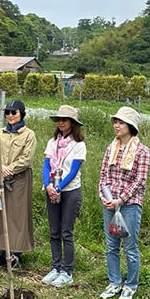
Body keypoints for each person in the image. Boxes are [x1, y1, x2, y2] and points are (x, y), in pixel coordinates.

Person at [98, 106, 150, 299]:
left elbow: (140, 181)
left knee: (129, 246)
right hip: (110, 202)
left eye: (120, 122)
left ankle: (131, 284)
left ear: (131, 126)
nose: (116, 126)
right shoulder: (111, 148)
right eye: (115, 122)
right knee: (111, 245)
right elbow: (103, 175)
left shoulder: (142, 151)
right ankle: (114, 281)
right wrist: (104, 196)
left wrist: (121, 199)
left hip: (129, 204)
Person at [0, 99, 37, 270]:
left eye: (14, 112)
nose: (10, 115)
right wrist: (0, 167)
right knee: (0, 215)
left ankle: (16, 255)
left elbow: (27, 159)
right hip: (0, 178)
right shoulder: (0, 132)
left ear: (21, 113)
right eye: (7, 112)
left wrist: (10, 169)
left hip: (19, 181)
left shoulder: (29, 134)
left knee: (17, 217)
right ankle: (2, 254)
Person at [41, 105, 86, 288]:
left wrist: (58, 187)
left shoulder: (79, 145)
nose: (61, 123)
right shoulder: (53, 142)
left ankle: (67, 271)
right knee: (54, 231)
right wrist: (48, 185)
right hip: (52, 189)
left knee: (66, 232)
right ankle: (56, 267)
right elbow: (46, 165)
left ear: (72, 123)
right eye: (59, 119)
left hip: (70, 191)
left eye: (65, 120)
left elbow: (73, 171)